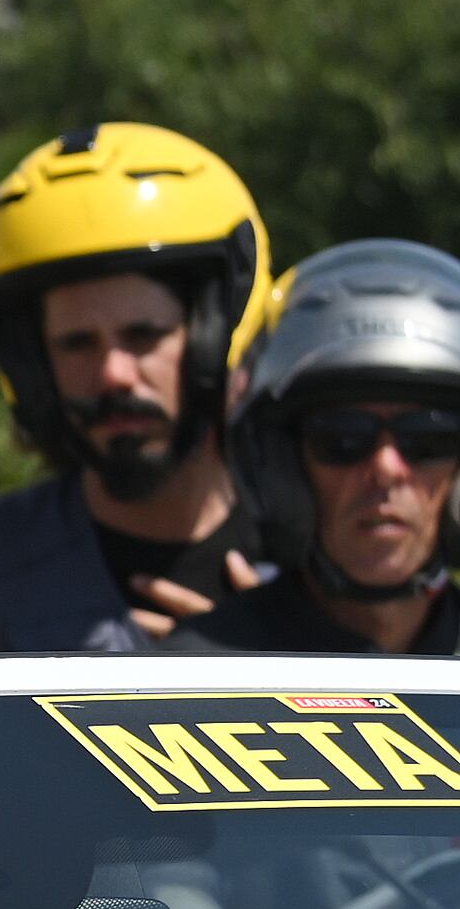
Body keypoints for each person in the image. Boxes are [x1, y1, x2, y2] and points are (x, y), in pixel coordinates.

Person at [0, 124, 273, 658]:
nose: (113, 375)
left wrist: (291, 659)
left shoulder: (328, 563)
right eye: (76, 344)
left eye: (143, 336)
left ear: (217, 336)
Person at [195, 241, 460, 659]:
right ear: (282, 466)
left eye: (427, 441)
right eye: (343, 440)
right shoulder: (194, 683)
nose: (387, 469)